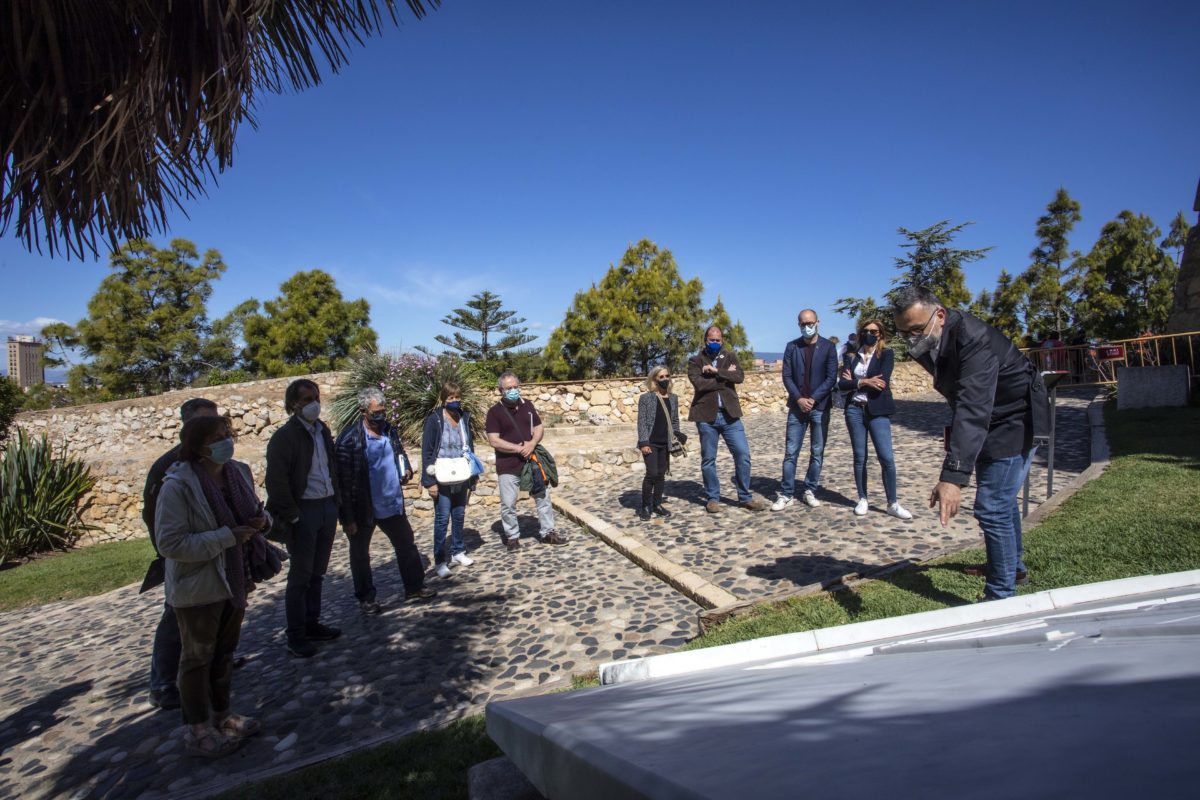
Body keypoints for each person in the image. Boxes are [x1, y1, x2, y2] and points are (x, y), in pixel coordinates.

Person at [893, 286, 1049, 601]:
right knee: (1001, 504)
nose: (910, 339)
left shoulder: (973, 340)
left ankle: (1001, 594)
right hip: (991, 420)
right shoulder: (934, 337)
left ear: (939, 315)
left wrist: (953, 476)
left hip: (1015, 421)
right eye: (903, 333)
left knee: (992, 507)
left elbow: (972, 408)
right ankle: (1012, 568)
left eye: (915, 330)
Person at [156, 415, 268, 758]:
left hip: (234, 577)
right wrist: (226, 537)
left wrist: (262, 523)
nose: (227, 441)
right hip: (199, 586)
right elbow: (170, 543)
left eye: (227, 434)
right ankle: (198, 727)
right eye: (219, 437)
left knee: (224, 653)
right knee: (197, 658)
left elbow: (252, 511)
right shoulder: (179, 485)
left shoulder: (236, 474)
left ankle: (223, 714)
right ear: (199, 445)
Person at [142, 397, 219, 710]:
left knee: (217, 612)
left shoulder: (213, 460)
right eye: (205, 421)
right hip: (185, 554)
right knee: (176, 617)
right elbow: (155, 516)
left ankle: (212, 662)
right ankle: (162, 682)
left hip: (217, 549)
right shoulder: (168, 468)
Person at [335, 387, 437, 613]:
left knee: (407, 546)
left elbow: (399, 453)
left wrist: (406, 469)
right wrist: (347, 517)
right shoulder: (349, 440)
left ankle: (414, 587)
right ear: (364, 411)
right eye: (376, 412)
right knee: (360, 555)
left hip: (392, 503)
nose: (380, 415)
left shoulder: (389, 431)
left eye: (383, 410)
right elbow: (343, 482)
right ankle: (366, 598)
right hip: (364, 507)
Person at [265, 379, 341, 658]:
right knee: (301, 576)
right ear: (293, 404)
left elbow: (331, 468)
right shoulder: (285, 438)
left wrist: (336, 502)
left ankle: (312, 623)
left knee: (317, 573)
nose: (314, 403)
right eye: (307, 399)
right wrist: (294, 516)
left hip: (326, 506)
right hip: (303, 511)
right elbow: (276, 481)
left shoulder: (323, 431)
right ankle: (295, 634)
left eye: (316, 397)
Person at [837, 319, 912, 519]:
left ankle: (892, 503)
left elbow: (882, 383)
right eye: (866, 330)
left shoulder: (886, 355)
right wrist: (863, 381)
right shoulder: (850, 356)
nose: (870, 334)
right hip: (854, 410)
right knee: (859, 457)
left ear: (880, 334)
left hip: (877, 410)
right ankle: (862, 498)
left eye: (874, 331)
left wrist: (855, 382)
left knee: (886, 457)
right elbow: (842, 385)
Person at [485, 372, 568, 550]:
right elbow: (494, 440)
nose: (513, 390)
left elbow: (538, 427)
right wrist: (518, 448)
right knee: (508, 504)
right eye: (509, 388)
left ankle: (548, 533)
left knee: (543, 498)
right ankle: (512, 538)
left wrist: (532, 444)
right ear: (501, 390)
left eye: (515, 387)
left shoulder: (528, 405)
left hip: (532, 462)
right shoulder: (494, 412)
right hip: (508, 465)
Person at [687, 325, 765, 513]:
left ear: (722, 340)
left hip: (730, 416)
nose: (715, 343)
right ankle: (713, 498)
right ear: (705, 340)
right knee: (708, 459)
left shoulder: (730, 357)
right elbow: (699, 384)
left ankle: (745, 496)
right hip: (707, 417)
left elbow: (738, 377)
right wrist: (724, 377)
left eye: (718, 340)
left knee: (743, 455)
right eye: (711, 340)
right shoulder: (695, 360)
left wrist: (715, 372)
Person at [772, 309, 838, 511]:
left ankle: (810, 489)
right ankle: (786, 493)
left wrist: (813, 399)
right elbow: (787, 376)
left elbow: (831, 377)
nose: (807, 326)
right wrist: (799, 398)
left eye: (810, 323)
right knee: (791, 452)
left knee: (817, 452)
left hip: (820, 407)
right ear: (798, 324)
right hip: (796, 407)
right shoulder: (792, 347)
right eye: (803, 323)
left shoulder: (828, 347)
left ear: (818, 322)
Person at [421, 381, 480, 576]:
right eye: (450, 398)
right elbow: (427, 450)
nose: (454, 401)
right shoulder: (435, 420)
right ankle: (440, 560)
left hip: (461, 472)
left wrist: (473, 474)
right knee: (441, 518)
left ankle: (458, 551)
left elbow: (469, 446)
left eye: (457, 397)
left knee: (459, 513)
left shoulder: (464, 418)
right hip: (442, 474)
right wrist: (429, 481)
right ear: (443, 399)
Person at [635, 366, 684, 520]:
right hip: (650, 442)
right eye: (661, 377)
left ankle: (657, 504)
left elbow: (675, 420)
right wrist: (644, 442)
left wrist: (676, 436)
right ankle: (645, 506)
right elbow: (641, 422)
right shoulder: (646, 398)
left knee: (661, 475)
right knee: (652, 474)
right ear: (655, 379)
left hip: (665, 442)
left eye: (667, 376)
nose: (665, 379)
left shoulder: (673, 398)